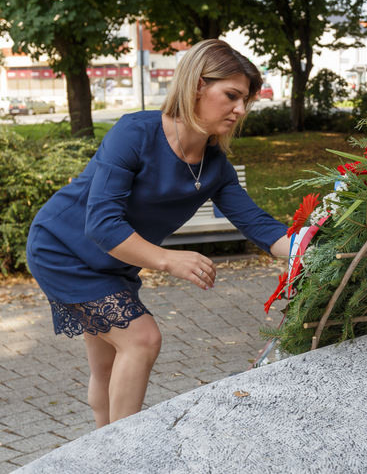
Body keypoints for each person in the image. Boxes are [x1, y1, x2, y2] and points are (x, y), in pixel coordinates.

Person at [25, 39, 290, 428]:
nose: (240, 110)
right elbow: (101, 223)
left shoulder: (216, 167)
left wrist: (314, 251)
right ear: (197, 85)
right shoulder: (135, 132)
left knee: (107, 365)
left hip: (116, 263)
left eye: (245, 100)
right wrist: (168, 260)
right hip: (63, 249)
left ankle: (100, 451)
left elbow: (261, 227)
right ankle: (125, 452)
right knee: (142, 339)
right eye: (231, 96)